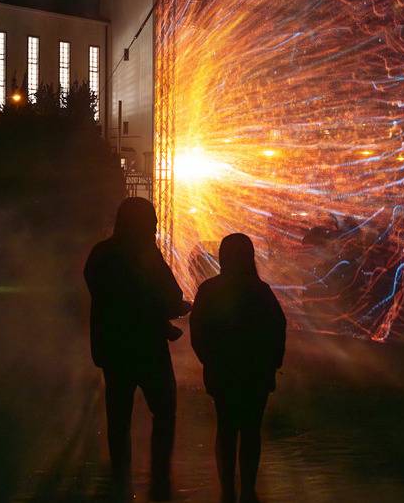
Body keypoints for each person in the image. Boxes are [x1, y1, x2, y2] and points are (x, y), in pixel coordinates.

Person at [84, 197, 189, 500]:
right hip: (147, 348)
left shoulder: (100, 254)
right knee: (165, 410)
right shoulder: (146, 254)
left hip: (113, 349)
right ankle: (159, 478)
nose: (156, 229)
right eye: (153, 223)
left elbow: (105, 296)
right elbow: (170, 295)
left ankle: (120, 479)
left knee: (118, 416)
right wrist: (174, 310)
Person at [191, 233, 286, 503]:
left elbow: (198, 330)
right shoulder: (261, 291)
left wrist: (208, 361)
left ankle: (226, 489)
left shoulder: (209, 290)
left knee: (226, 428)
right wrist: (272, 364)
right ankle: (247, 488)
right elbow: (278, 329)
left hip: (222, 372)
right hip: (255, 373)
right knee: (252, 429)